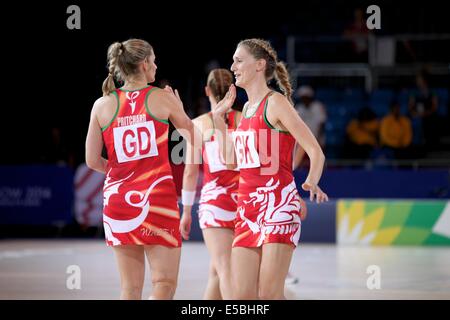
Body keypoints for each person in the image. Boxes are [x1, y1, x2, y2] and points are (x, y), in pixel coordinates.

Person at [212, 38, 328, 299]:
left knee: (269, 294)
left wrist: (310, 181)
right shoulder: (244, 113)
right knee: (241, 297)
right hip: (247, 210)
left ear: (259, 65)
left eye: (239, 60)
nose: (232, 66)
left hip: (278, 207)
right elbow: (231, 162)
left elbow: (315, 151)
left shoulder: (275, 103)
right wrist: (219, 119)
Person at [85, 39, 200, 300]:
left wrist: (122, 174)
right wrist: (180, 109)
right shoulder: (161, 98)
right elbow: (195, 138)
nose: (157, 66)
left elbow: (92, 160)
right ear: (145, 63)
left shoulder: (101, 105)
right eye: (155, 60)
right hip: (157, 199)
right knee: (164, 282)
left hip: (118, 202)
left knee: (130, 289)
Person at [180, 69, 241, 300]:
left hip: (215, 203)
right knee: (217, 272)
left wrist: (186, 212)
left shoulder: (197, 124)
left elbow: (190, 173)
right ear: (232, 91)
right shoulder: (245, 119)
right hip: (243, 201)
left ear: (207, 91)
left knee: (224, 270)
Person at [293, 85, 327, 169]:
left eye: (306, 97)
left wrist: (317, 139)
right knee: (301, 163)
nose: (304, 99)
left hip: (317, 139)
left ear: (310, 97)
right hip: (302, 142)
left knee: (317, 162)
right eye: (302, 97)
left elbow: (322, 123)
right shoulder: (299, 108)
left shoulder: (318, 106)